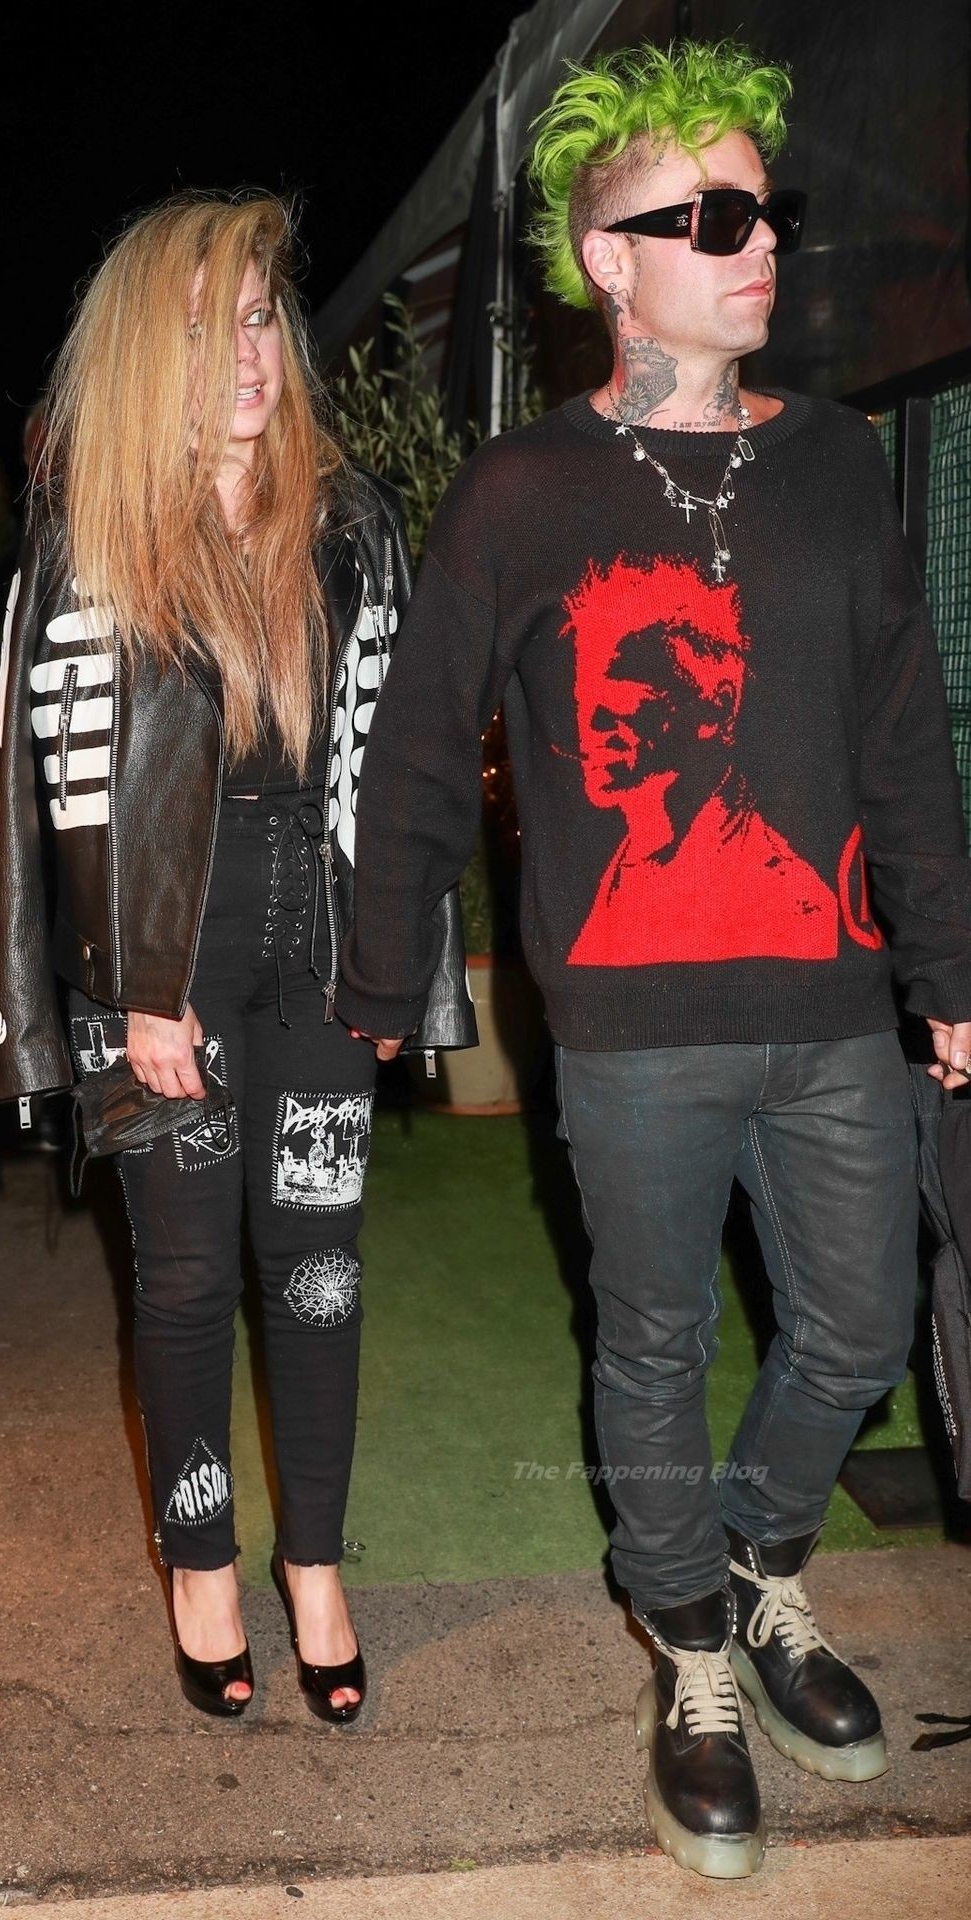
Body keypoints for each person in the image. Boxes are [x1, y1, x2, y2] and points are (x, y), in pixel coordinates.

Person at [335, 39, 971, 1877]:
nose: (757, 242)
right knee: (656, 1340)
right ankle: (691, 1647)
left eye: (769, 211)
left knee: (858, 1326)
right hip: (626, 1031)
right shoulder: (521, 492)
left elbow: (905, 740)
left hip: (833, 1007)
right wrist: (383, 981)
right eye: (712, 217)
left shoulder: (838, 463)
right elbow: (419, 751)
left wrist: (948, 964)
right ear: (610, 260)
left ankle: (761, 1560)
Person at [0, 193, 473, 1722]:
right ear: (146, 352)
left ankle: (314, 1564)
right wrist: (127, 993)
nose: (247, 355)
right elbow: (53, 787)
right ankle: (201, 1563)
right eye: (206, 329)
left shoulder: (352, 518)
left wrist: (398, 962)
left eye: (260, 316)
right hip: (162, 954)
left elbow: (401, 763)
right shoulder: (92, 529)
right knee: (189, 1278)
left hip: (317, 937)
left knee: (318, 1269)